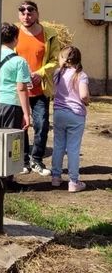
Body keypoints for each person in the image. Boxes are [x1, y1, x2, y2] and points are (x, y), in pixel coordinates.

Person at [15, 0, 60, 177]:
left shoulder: (49, 34)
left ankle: (37, 160)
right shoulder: (14, 33)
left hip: (40, 89)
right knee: (22, 126)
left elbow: (55, 60)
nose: (26, 16)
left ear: (37, 14)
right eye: (23, 13)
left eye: (30, 12)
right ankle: (23, 160)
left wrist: (40, 73)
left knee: (41, 125)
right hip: (19, 90)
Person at [51, 46, 90, 192]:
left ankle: (56, 177)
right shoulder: (81, 75)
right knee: (73, 148)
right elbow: (84, 95)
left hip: (59, 113)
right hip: (76, 114)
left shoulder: (58, 73)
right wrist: (87, 101)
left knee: (58, 145)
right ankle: (73, 181)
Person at [0, 22, 32, 181]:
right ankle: (7, 180)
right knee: (11, 143)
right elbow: (21, 89)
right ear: (15, 39)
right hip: (11, 104)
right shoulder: (20, 61)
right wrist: (27, 113)